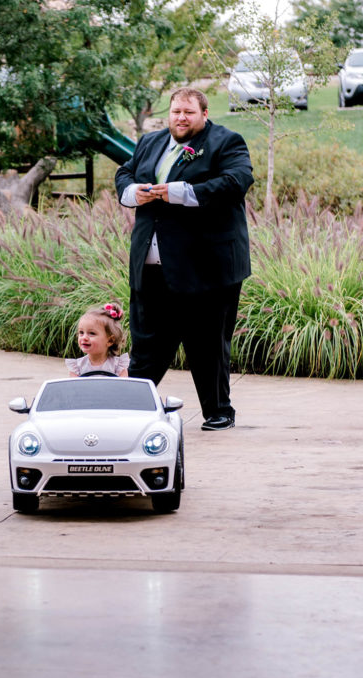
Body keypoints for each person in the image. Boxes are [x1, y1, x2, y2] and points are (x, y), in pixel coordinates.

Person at [114, 87, 253, 431]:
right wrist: (132, 193)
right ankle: (132, 409)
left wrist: (184, 193)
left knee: (207, 343)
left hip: (207, 267)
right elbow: (125, 172)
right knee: (146, 343)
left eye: (189, 112)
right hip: (152, 263)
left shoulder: (226, 142)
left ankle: (219, 412)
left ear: (204, 114)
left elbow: (237, 180)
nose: (181, 118)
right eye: (176, 111)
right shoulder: (151, 142)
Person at [66, 303, 130, 377]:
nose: (84, 337)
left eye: (92, 333)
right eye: (81, 332)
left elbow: (123, 387)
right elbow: (73, 388)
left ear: (110, 341)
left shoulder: (118, 366)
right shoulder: (77, 368)